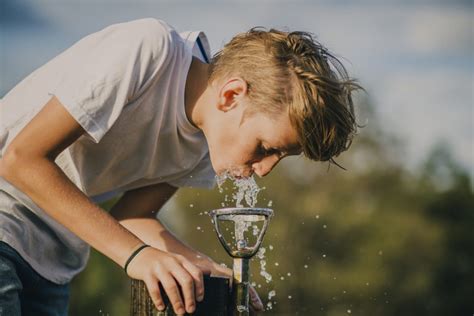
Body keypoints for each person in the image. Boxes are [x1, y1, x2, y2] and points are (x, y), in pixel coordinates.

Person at [0, 18, 362, 315]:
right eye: (266, 147)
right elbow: (20, 159)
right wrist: (138, 256)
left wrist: (202, 267)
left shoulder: (206, 144)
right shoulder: (148, 52)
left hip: (52, 263)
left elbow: (132, 216)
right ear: (231, 95)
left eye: (280, 157)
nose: (265, 169)